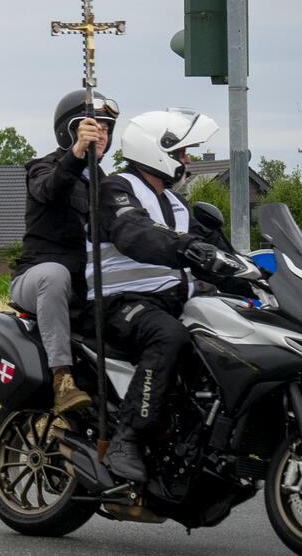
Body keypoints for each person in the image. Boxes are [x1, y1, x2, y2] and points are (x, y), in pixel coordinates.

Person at [90, 108, 226, 483]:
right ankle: (127, 439)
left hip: (169, 301)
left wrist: (260, 273)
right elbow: (133, 230)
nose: (188, 161)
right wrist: (187, 247)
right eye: (182, 153)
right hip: (121, 302)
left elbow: (213, 249)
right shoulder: (116, 189)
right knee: (169, 336)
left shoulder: (178, 205)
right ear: (157, 151)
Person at [9, 90, 120, 417]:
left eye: (106, 129)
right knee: (54, 274)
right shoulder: (43, 168)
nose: (101, 135)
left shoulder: (108, 184)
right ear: (70, 130)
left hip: (85, 289)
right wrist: (75, 154)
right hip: (37, 279)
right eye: (93, 127)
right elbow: (50, 189)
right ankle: (62, 380)